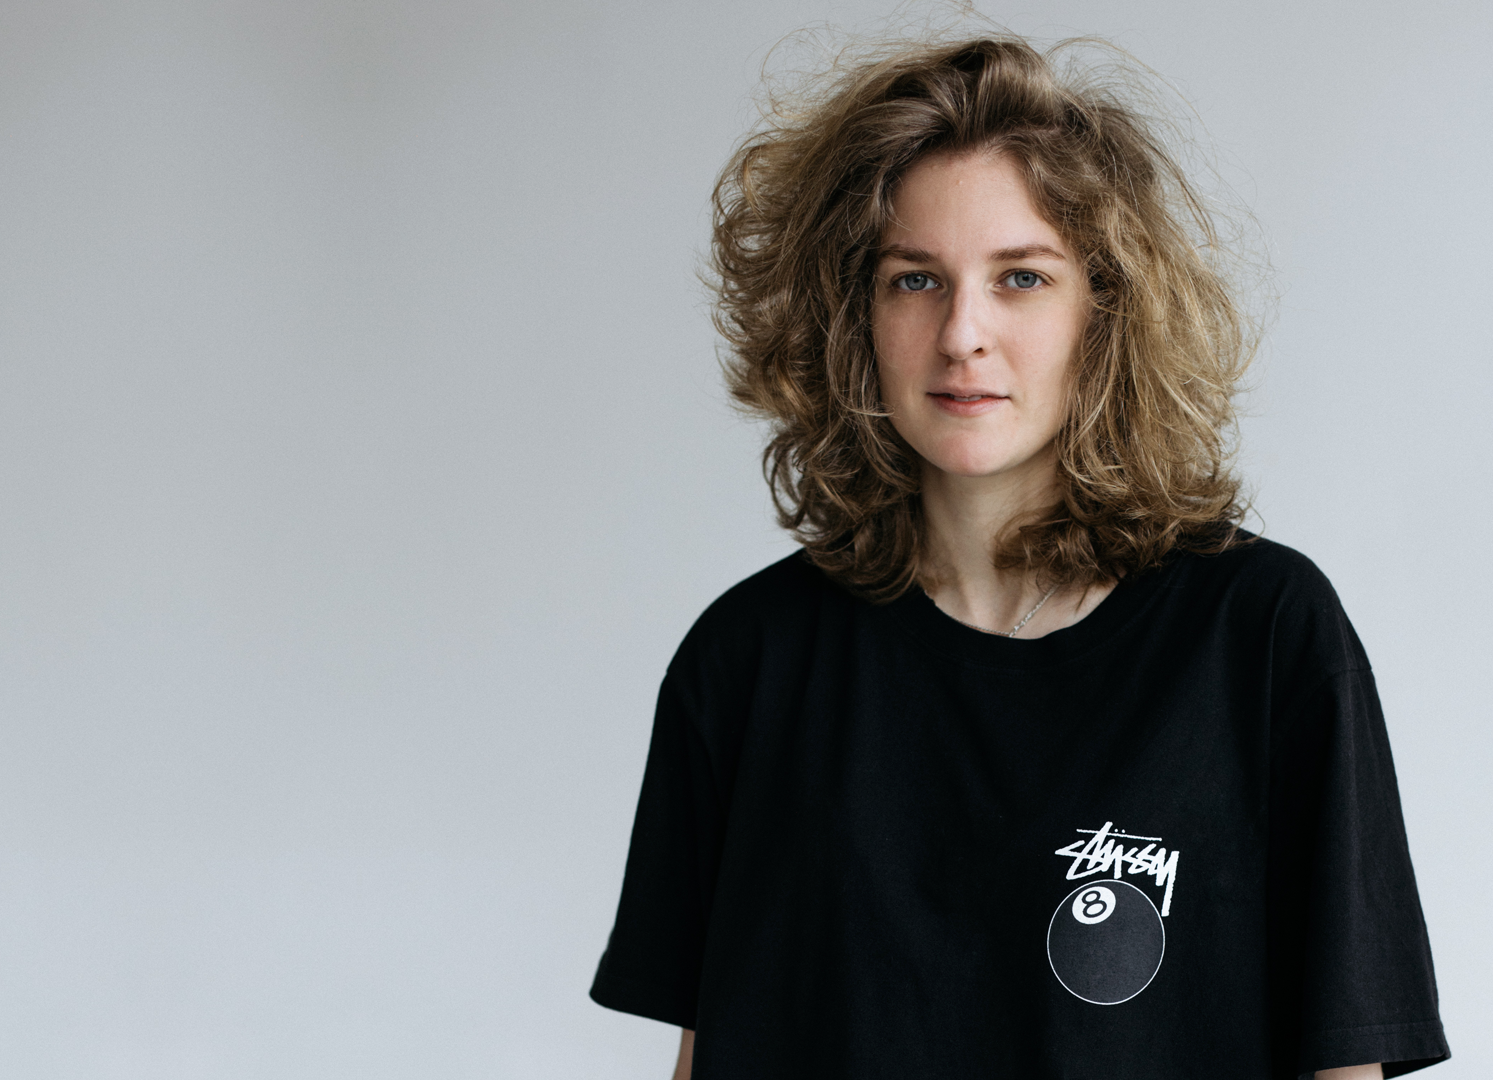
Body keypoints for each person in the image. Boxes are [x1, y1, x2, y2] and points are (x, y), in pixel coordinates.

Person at [590, 34, 1449, 1079]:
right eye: (915, 279)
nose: (962, 333)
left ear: (1106, 311)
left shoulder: (1262, 638)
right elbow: (707, 1055)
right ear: (852, 318)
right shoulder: (748, 663)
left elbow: (1347, 1061)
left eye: (1021, 278)